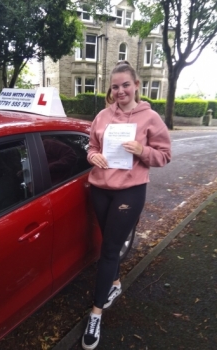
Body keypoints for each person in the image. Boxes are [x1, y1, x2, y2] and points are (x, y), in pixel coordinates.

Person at [82, 61, 171, 350]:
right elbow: (92, 146)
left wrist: (142, 150)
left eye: (125, 85)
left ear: (136, 86)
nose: (120, 90)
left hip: (129, 193)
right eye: (115, 86)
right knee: (109, 242)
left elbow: (165, 155)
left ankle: (96, 313)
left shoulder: (150, 118)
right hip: (99, 189)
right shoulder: (102, 115)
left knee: (108, 250)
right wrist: (91, 156)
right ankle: (115, 284)